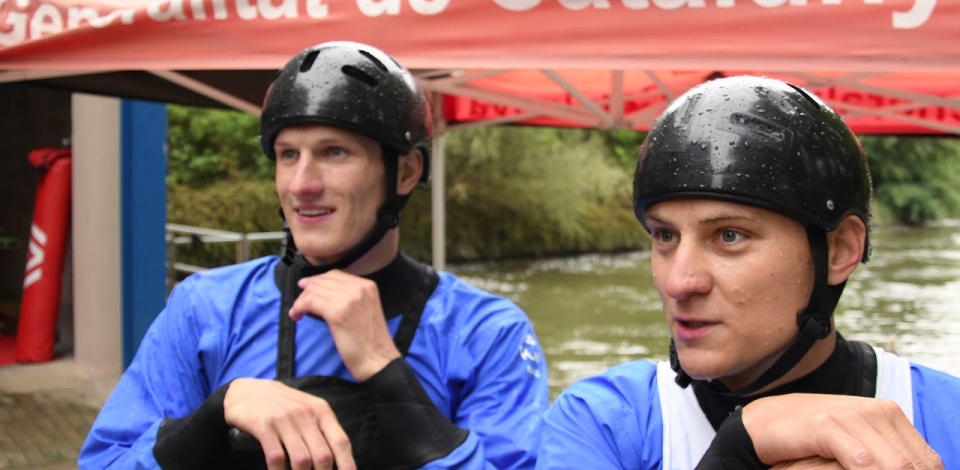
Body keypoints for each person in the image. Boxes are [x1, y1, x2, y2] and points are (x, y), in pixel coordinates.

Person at [79, 41, 549, 470]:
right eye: (287, 155)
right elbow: (104, 462)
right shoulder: (205, 308)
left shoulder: (488, 332)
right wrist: (210, 417)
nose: (301, 184)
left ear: (405, 171)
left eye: (334, 152)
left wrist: (387, 373)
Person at [535, 75, 959, 469]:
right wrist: (738, 448)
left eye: (730, 236)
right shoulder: (605, 423)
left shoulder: (947, 416)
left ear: (840, 249)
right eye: (665, 236)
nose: (678, 282)